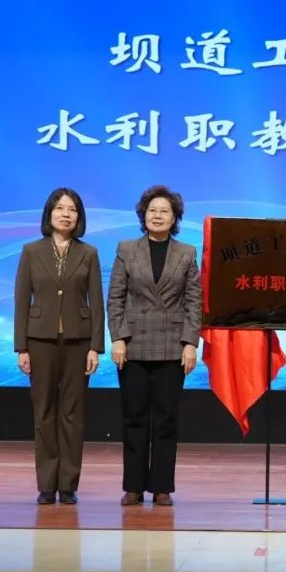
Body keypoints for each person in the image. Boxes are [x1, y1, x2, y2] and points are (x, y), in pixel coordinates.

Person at [108, 185, 201, 507]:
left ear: (174, 218)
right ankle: (133, 486)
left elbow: (193, 302)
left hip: (172, 346)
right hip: (133, 345)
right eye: (152, 210)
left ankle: (162, 486)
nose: (157, 216)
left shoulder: (187, 253)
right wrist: (118, 338)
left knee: (166, 419)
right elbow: (115, 298)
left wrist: (190, 343)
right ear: (143, 215)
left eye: (164, 211)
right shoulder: (126, 249)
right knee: (134, 417)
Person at [14, 187, 104, 505]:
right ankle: (46, 484)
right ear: (49, 213)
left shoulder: (89, 253)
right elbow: (21, 302)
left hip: (79, 342)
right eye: (60, 208)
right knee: (44, 413)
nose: (66, 214)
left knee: (73, 415)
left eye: (72, 209)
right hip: (39, 340)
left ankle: (68, 484)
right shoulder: (31, 251)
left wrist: (95, 347)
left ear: (79, 217)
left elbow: (96, 302)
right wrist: (21, 347)